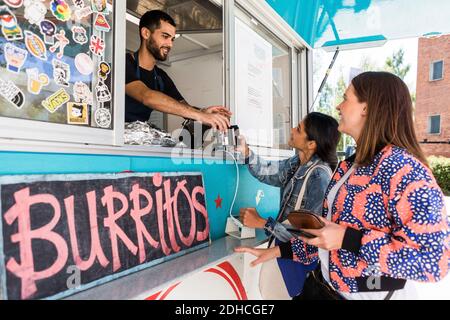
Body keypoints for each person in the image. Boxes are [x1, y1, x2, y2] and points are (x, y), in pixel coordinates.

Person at [236, 71, 450, 300]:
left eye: (346, 98)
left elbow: (434, 261)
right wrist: (279, 251)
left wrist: (349, 239)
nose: (338, 106)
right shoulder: (349, 167)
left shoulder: (406, 171)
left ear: (366, 108)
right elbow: (329, 235)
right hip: (322, 287)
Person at [237, 112, 340, 298]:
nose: (292, 129)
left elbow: (310, 239)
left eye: (299, 129)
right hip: (282, 258)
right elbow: (268, 171)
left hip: (292, 264)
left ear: (311, 144)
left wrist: (262, 223)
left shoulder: (320, 177)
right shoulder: (297, 163)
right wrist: (246, 152)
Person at [125, 10, 231, 132]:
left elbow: (183, 106)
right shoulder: (124, 63)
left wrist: (202, 111)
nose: (170, 44)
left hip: (137, 136)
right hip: (111, 136)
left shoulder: (160, 76)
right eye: (165, 36)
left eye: (172, 39)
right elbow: (146, 96)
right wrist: (200, 116)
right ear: (146, 33)